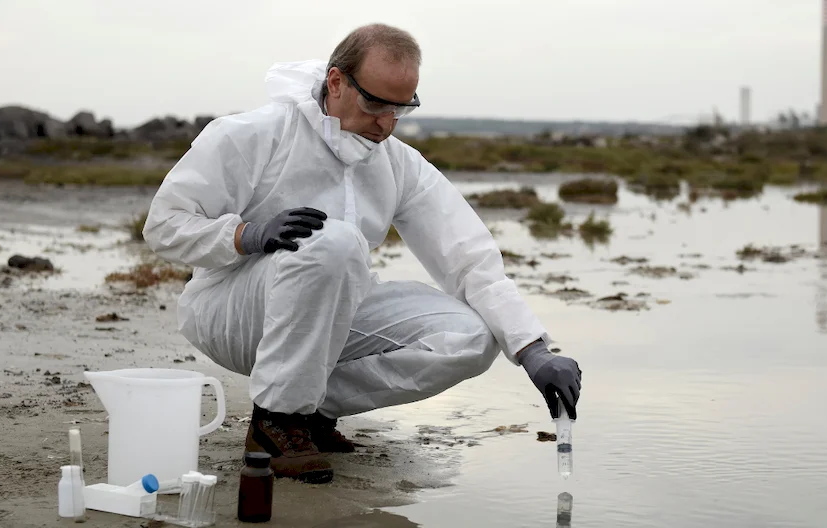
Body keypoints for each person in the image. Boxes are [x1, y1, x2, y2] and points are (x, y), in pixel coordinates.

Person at [142, 23, 581, 484]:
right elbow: (165, 225)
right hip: (230, 311)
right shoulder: (253, 134)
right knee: (337, 241)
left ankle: (309, 411)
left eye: (401, 108)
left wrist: (532, 350)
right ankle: (276, 421)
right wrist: (247, 235)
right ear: (336, 82)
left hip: (330, 317)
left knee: (472, 338)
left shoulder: (398, 163)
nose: (386, 123)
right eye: (375, 103)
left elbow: (468, 256)